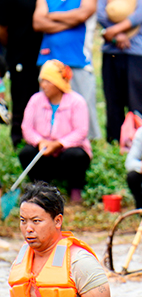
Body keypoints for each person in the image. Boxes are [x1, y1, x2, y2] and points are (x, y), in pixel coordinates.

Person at [20, 60, 92, 202]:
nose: (43, 85)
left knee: (76, 155)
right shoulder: (35, 100)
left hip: (66, 152)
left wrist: (59, 143)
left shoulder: (77, 102)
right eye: (42, 81)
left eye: (48, 81)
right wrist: (40, 142)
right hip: (43, 150)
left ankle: (75, 190)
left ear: (58, 83)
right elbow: (26, 128)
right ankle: (41, 189)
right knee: (26, 153)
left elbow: (81, 131)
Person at [33, 0, 102, 140]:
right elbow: (38, 22)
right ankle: (50, 141)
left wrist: (51, 16)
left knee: (84, 105)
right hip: (49, 61)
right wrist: (69, 21)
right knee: (48, 106)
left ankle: (86, 144)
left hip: (78, 59)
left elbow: (82, 15)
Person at [97, 0, 142, 143]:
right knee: (112, 100)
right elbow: (100, 13)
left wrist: (114, 31)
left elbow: (140, 15)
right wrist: (116, 36)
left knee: (136, 102)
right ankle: (114, 141)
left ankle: (138, 143)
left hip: (137, 52)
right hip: (111, 51)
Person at [1, 0, 44, 147]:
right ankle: (20, 142)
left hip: (46, 55)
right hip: (20, 55)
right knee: (22, 103)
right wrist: (16, 46)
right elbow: (2, 28)